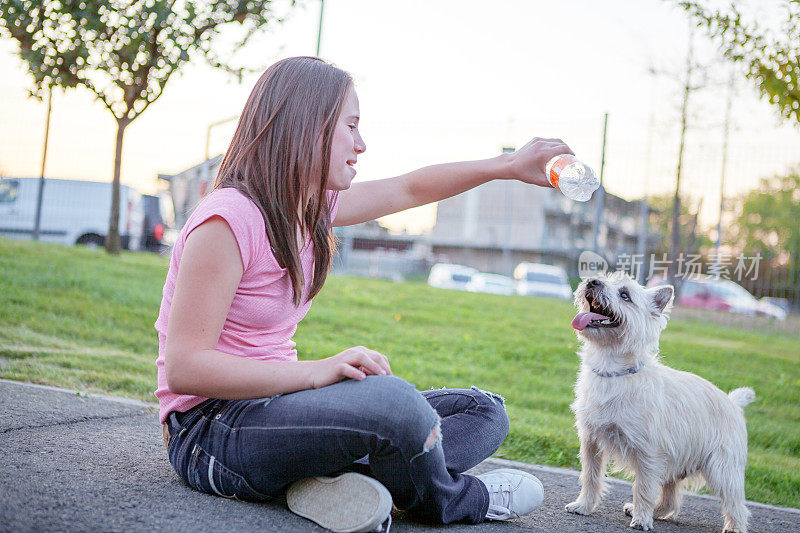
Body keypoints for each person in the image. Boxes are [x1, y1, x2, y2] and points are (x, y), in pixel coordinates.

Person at [155, 56, 574, 532]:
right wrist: (316, 373)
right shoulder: (228, 220)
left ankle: (334, 483)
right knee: (396, 408)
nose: (361, 144)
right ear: (306, 127)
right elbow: (186, 367)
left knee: (483, 412)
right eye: (350, 126)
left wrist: (509, 166)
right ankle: (457, 498)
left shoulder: (307, 209)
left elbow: (410, 188)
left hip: (275, 409)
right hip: (211, 433)